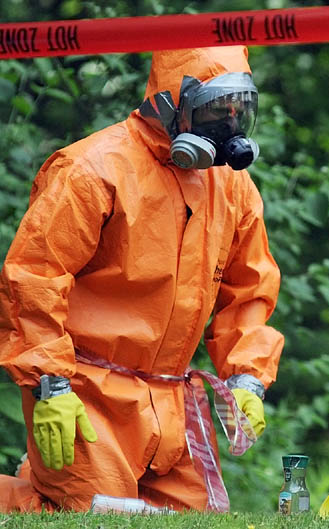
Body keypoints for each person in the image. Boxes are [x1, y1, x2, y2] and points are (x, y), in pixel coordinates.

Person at [0, 46, 284, 513]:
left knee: (189, 522)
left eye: (240, 109)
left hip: (172, 399)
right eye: (216, 110)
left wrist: (248, 378)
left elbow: (250, 291)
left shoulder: (233, 189)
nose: (230, 126)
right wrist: (49, 383)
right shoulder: (93, 169)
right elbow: (34, 277)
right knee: (97, 516)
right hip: (86, 392)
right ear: (171, 105)